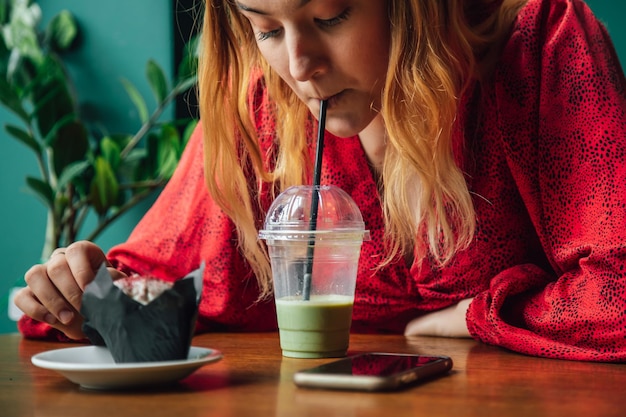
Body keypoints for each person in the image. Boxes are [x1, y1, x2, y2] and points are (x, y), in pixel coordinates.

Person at [14, 0, 626, 362]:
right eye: (268, 29)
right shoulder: (256, 113)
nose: (299, 67)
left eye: (330, 15)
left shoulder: (541, 47)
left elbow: (618, 294)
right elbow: (146, 293)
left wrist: (475, 317)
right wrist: (83, 295)